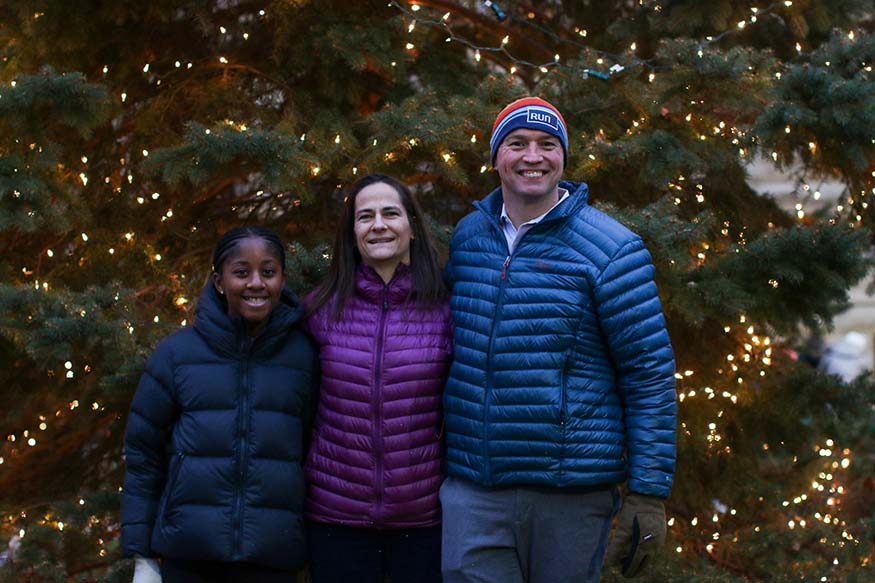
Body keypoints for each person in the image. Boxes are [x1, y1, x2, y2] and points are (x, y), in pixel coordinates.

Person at [440, 97, 678, 583]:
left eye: (548, 145)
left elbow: (648, 374)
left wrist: (648, 494)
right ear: (495, 158)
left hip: (568, 494)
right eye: (517, 144)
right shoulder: (467, 239)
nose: (533, 156)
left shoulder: (612, 249)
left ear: (563, 158)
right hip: (475, 489)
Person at [120, 226, 317, 583]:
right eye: (242, 272)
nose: (256, 283)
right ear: (219, 281)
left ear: (282, 280)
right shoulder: (177, 355)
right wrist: (142, 556)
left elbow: (313, 452)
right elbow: (142, 456)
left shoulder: (303, 357)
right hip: (190, 558)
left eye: (268, 272)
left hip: (272, 560)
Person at [303, 174, 452, 583]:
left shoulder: (446, 308)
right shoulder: (318, 309)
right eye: (364, 216)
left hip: (424, 520)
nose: (378, 224)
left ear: (412, 227)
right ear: (352, 234)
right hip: (336, 518)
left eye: (391, 213)